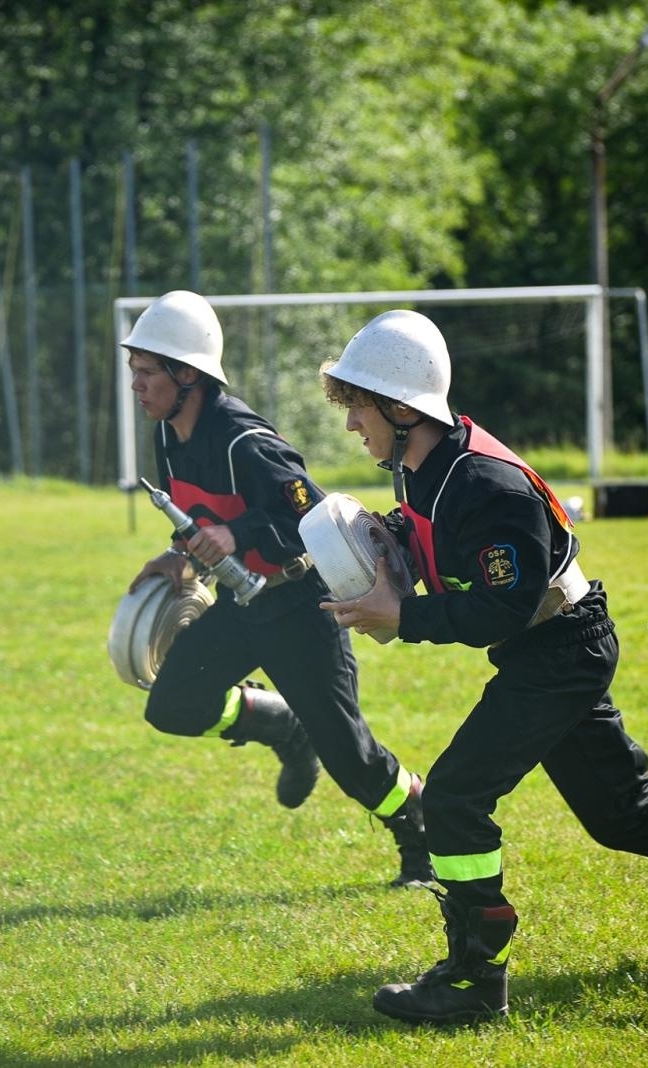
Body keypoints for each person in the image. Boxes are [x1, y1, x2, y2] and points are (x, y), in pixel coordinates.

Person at [318, 309, 648, 1025]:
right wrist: (385, 556)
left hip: (560, 648)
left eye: (359, 403)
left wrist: (403, 617)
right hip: (548, 646)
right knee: (622, 814)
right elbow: (453, 562)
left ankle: (475, 976)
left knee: (452, 798)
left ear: (401, 407)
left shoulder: (484, 485)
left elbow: (502, 608)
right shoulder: (421, 471)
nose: (351, 421)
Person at [123, 290, 431, 890]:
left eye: (146, 371)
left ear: (187, 375)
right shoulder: (166, 435)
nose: (136, 384)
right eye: (133, 369)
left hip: (300, 609)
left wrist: (236, 535)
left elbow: (313, 518)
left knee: (352, 761)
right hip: (241, 607)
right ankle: (282, 725)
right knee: (173, 705)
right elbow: (198, 518)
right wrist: (177, 554)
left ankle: (417, 825)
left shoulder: (245, 440)